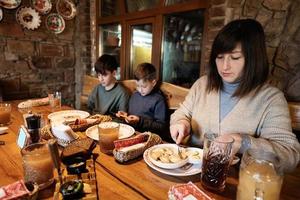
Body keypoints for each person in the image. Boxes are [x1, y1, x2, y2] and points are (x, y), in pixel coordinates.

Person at [170, 19, 300, 172]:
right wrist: (181, 122)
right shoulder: (202, 85)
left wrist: (243, 142)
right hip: (189, 170)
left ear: (253, 58)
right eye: (219, 57)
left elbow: (289, 155)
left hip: (236, 180)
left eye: (235, 57)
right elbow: (182, 112)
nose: (225, 66)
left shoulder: (270, 99)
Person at [116, 63, 169, 139]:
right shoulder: (135, 96)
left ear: (153, 83)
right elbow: (131, 116)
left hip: (149, 138)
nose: (140, 90)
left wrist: (140, 120)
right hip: (132, 134)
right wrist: (125, 116)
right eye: (137, 85)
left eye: (144, 86)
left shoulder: (158, 100)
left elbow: (161, 127)